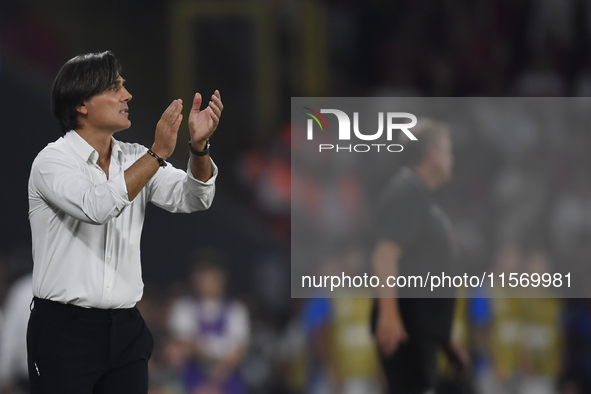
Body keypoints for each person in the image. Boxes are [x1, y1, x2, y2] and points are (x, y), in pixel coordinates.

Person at [26, 50, 223, 394]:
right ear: (83, 104)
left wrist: (199, 148)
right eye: (114, 87)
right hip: (64, 331)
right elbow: (95, 206)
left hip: (126, 328)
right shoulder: (51, 162)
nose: (127, 95)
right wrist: (157, 154)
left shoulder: (134, 158)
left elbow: (195, 197)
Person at [371, 119, 468, 394]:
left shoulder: (422, 197)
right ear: (431, 153)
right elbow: (385, 255)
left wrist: (444, 338)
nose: (452, 158)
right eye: (448, 150)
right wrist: (389, 317)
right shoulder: (407, 192)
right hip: (407, 331)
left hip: (422, 333)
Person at [168, 251, 250, 394]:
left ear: (221, 279)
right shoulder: (184, 307)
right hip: (192, 379)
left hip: (228, 380)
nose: (204, 283)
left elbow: (239, 350)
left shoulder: (236, 309)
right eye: (200, 278)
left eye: (209, 278)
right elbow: (183, 344)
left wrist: (215, 379)